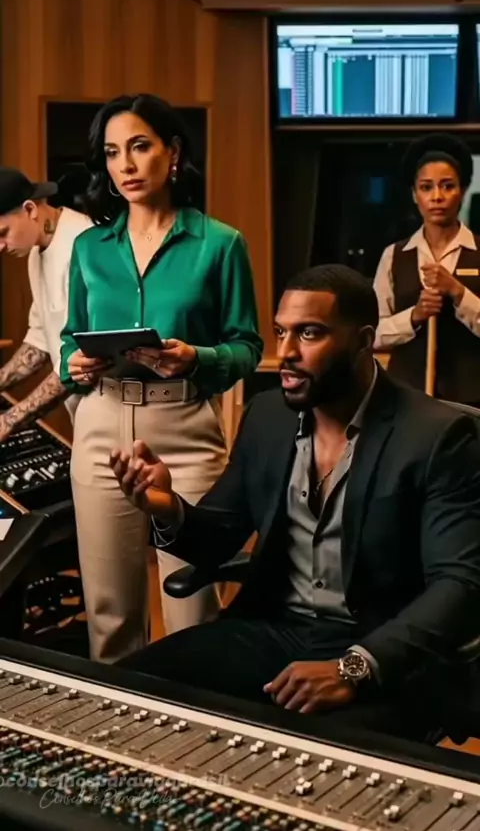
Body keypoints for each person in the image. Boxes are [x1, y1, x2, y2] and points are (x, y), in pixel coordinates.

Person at [111, 264, 480, 729]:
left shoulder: (437, 436)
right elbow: (218, 536)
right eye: (281, 332)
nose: (285, 352)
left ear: (364, 341)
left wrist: (354, 668)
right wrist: (166, 507)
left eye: (309, 333)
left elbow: (459, 584)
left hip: (382, 647)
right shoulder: (269, 416)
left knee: (301, 755)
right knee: (120, 692)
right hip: (274, 629)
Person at [59, 93, 263, 663]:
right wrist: (73, 363)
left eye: (139, 147)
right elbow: (70, 336)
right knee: (109, 614)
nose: (124, 165)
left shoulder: (220, 243)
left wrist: (197, 358)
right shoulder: (89, 248)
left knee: (193, 609)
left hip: (184, 428)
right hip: (100, 426)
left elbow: (248, 347)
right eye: (111, 153)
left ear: (172, 153)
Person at [374, 133, 480, 405]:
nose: (437, 197)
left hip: (471, 402)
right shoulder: (394, 256)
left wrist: (458, 293)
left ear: (462, 191)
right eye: (426, 187)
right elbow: (373, 333)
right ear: (414, 194)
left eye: (448, 186)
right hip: (407, 400)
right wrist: (415, 315)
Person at [0, 168, 91, 436]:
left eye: (3, 232)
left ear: (30, 209)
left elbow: (84, 357)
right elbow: (40, 340)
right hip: (84, 420)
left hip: (114, 416)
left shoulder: (86, 245)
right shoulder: (35, 253)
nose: (0, 246)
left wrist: (9, 420)